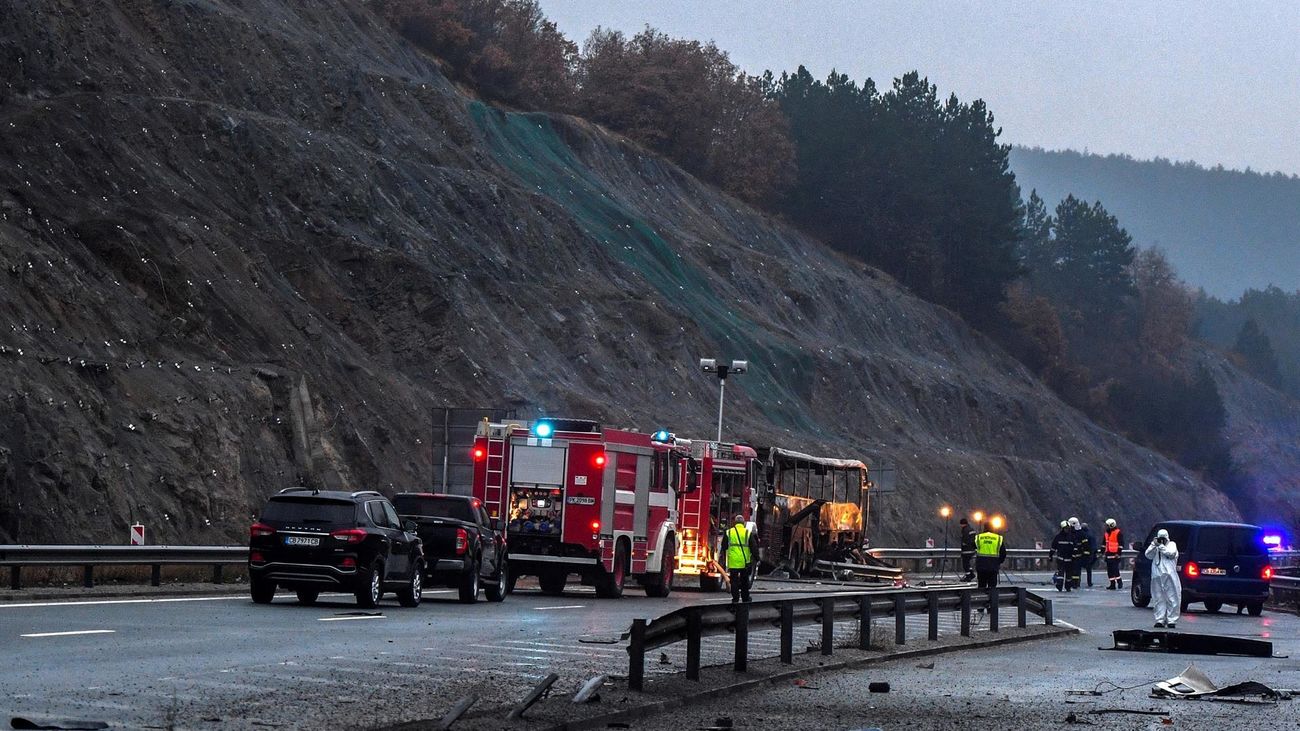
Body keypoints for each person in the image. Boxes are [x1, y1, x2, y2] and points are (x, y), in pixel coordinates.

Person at [1145, 528, 1181, 628]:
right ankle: (1159, 619)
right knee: (1158, 598)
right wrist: (1153, 545)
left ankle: (1171, 620)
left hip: (1169, 575)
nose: (1162, 540)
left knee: (1172, 597)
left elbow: (1171, 554)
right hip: (1156, 576)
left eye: (1163, 539)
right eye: (1160, 538)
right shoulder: (1155, 546)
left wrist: (1161, 546)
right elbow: (1148, 555)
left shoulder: (1172, 545)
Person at [720, 513, 756, 603]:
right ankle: (745, 599)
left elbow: (724, 546)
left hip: (733, 562)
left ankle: (735, 599)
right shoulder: (747, 533)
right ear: (743, 523)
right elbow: (753, 547)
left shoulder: (729, 532)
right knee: (744, 582)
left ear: (734, 523)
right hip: (744, 562)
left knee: (734, 582)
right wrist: (757, 558)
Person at [973, 521, 1006, 589]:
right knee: (992, 587)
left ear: (984, 527)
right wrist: (999, 562)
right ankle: (992, 599)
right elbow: (1003, 553)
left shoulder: (979, 537)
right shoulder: (998, 538)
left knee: (981, 587)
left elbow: (972, 546)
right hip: (993, 566)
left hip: (981, 566)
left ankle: (981, 599)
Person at [1049, 520, 1076, 592]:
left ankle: (1068, 587)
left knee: (1069, 575)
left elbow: (1075, 548)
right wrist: (1050, 555)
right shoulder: (1058, 537)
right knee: (1060, 574)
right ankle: (1059, 585)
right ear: (1062, 528)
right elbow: (1053, 547)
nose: (1067, 530)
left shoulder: (1071, 537)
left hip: (1069, 559)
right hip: (1061, 559)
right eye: (1065, 528)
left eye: (1068, 528)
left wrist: (1074, 556)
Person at [1103, 518, 1125, 590]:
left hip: (1115, 554)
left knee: (1115, 569)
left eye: (1107, 525)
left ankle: (1119, 582)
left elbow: (1121, 544)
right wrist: (1102, 551)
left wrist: (1118, 553)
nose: (1106, 527)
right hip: (1108, 553)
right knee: (1109, 570)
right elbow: (1104, 543)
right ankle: (1112, 584)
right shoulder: (1106, 533)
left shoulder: (1118, 532)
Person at [1068, 517, 1088, 590]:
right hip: (1071, 555)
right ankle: (1072, 583)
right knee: (1071, 570)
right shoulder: (1070, 533)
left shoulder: (1081, 533)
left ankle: (1075, 583)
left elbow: (1085, 545)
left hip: (1078, 556)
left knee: (1076, 571)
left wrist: (1085, 555)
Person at [1079, 521, 1097, 587]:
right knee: (1089, 570)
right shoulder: (1091, 534)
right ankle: (1089, 582)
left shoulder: (1084, 535)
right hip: (1091, 554)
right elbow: (1094, 546)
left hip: (1084, 555)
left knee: (1078, 569)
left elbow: (1083, 545)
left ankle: (1077, 582)